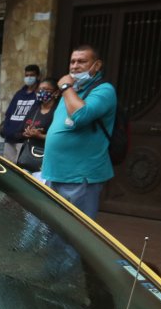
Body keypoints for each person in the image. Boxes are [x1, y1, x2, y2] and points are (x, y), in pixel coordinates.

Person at [40, 45, 118, 219]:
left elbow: (80, 116)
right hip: (56, 173)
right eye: (72, 61)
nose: (74, 66)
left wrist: (66, 87)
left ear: (97, 66)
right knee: (53, 230)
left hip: (80, 176)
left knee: (72, 234)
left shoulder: (103, 90)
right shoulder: (72, 92)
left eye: (82, 61)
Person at [0, 64, 41, 161]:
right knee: (8, 165)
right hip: (9, 137)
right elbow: (9, 113)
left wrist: (23, 132)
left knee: (20, 167)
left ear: (38, 77)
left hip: (24, 139)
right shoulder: (19, 94)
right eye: (26, 75)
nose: (29, 78)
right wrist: (6, 131)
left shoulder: (39, 95)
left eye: (31, 75)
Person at [15, 78, 58, 175]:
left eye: (46, 90)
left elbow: (60, 137)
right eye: (40, 90)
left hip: (47, 160)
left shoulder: (58, 111)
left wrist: (40, 136)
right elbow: (18, 132)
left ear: (56, 93)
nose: (42, 92)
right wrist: (26, 133)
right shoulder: (34, 110)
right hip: (28, 157)